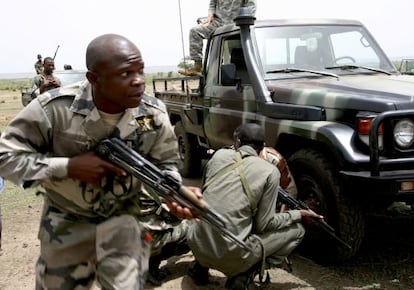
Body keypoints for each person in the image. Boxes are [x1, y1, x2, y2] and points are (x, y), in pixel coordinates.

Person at [0, 33, 201, 290]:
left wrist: (172, 192)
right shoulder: (54, 110)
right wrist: (68, 167)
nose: (139, 81)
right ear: (94, 78)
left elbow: (166, 163)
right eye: (125, 74)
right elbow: (6, 157)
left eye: (140, 71)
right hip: (66, 229)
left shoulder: (152, 113)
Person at [186, 123, 322, 290]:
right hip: (230, 255)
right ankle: (243, 274)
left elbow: (206, 195)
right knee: (298, 230)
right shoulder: (270, 171)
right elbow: (264, 225)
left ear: (237, 142)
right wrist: (299, 214)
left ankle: (200, 267)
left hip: (196, 244)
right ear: (263, 146)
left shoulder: (219, 155)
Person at [178, 0, 256, 77]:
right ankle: (198, 66)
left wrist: (245, 21)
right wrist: (210, 14)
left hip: (236, 23)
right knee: (195, 31)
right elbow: (213, 3)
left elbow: (251, 6)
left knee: (235, 53)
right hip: (218, 22)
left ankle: (243, 74)